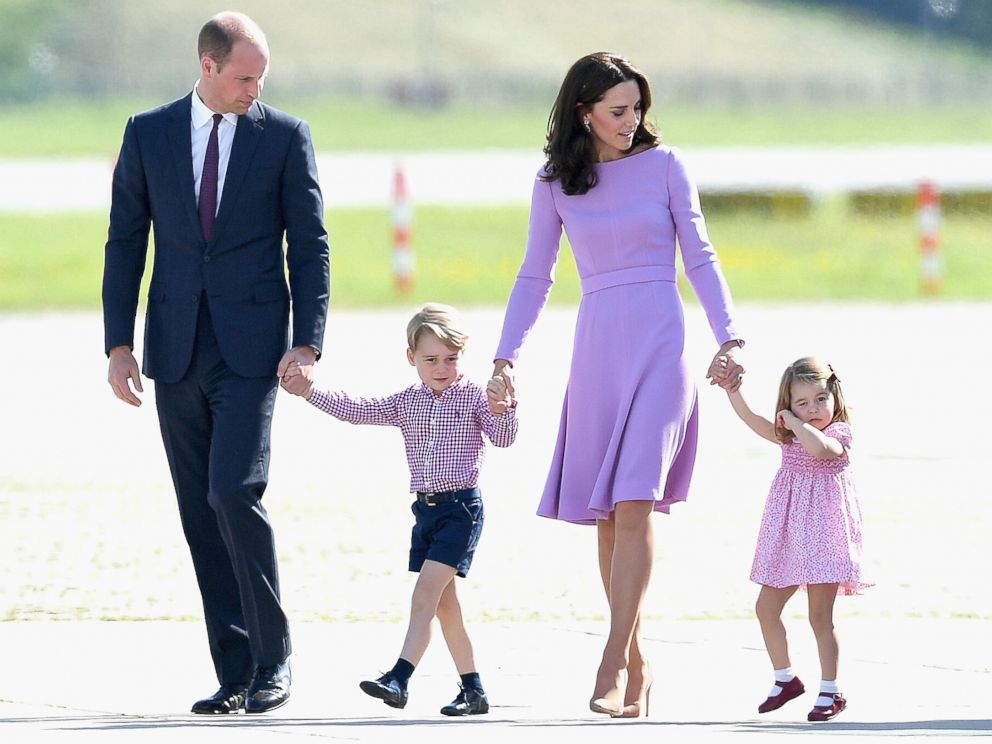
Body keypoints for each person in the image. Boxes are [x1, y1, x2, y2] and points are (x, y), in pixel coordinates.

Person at [491, 51, 745, 718]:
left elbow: (700, 254)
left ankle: (609, 659)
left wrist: (730, 335)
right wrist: (505, 358)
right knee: (606, 517)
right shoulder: (554, 182)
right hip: (598, 348)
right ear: (584, 113)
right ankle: (639, 662)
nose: (632, 121)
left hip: (663, 344)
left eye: (638, 109)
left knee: (635, 501)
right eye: (618, 111)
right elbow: (533, 275)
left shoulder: (666, 166)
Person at [102, 12, 330, 715]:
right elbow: (124, 243)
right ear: (207, 67)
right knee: (200, 512)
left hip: (253, 349)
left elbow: (311, 244)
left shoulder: (285, 136)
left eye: (261, 77)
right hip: (175, 348)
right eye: (243, 76)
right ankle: (234, 672)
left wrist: (308, 342)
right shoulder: (148, 134)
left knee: (234, 490)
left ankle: (274, 657)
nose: (254, 89)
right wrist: (117, 344)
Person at [282, 302, 517, 716]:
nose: (442, 367)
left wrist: (504, 408)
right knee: (446, 607)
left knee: (425, 594)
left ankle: (400, 678)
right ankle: (473, 690)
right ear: (412, 358)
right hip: (425, 513)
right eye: (430, 359)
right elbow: (358, 410)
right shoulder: (408, 402)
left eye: (451, 358)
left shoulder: (475, 398)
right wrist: (310, 392)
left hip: (461, 510)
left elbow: (503, 438)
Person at [722, 356, 870, 722]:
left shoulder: (837, 434)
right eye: (802, 403)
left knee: (820, 617)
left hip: (825, 536)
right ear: (788, 406)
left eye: (821, 399)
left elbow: (821, 450)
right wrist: (734, 392)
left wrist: (793, 421)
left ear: (834, 396)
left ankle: (831, 691)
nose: (814, 409)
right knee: (765, 608)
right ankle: (784, 678)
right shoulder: (790, 433)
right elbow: (753, 420)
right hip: (789, 534)